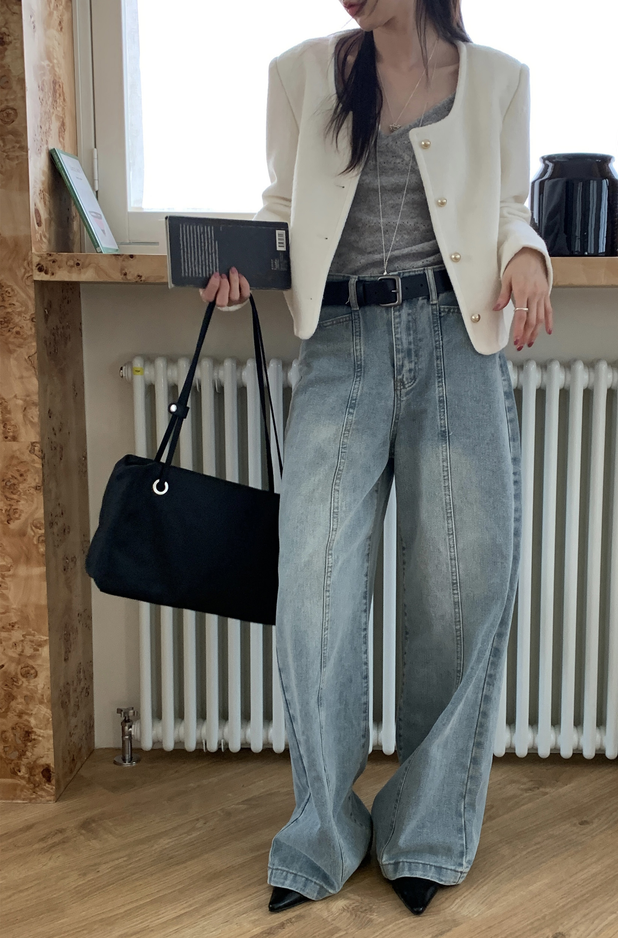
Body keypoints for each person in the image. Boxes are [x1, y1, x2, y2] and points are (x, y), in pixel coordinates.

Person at [199, 0, 554, 917]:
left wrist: (529, 257)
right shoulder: (301, 73)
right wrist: (241, 269)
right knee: (312, 594)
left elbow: (509, 211)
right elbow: (284, 212)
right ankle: (321, 831)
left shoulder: (500, 80)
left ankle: (426, 833)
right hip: (340, 348)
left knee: (457, 591)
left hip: (457, 346)